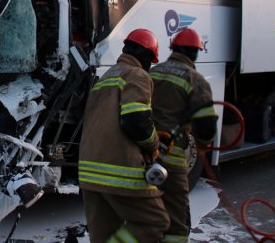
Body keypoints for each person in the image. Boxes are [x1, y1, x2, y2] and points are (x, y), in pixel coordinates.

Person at [79, 28, 170, 243]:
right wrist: (154, 144)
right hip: (119, 169)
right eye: (151, 60)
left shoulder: (104, 78)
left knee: (103, 234)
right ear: (147, 55)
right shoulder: (137, 74)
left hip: (89, 172)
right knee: (155, 222)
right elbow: (136, 121)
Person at [149, 28, 218, 243]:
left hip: (144, 152)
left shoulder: (153, 71)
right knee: (178, 215)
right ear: (195, 53)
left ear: (173, 49)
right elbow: (206, 124)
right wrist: (203, 145)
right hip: (171, 156)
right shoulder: (195, 79)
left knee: (146, 208)